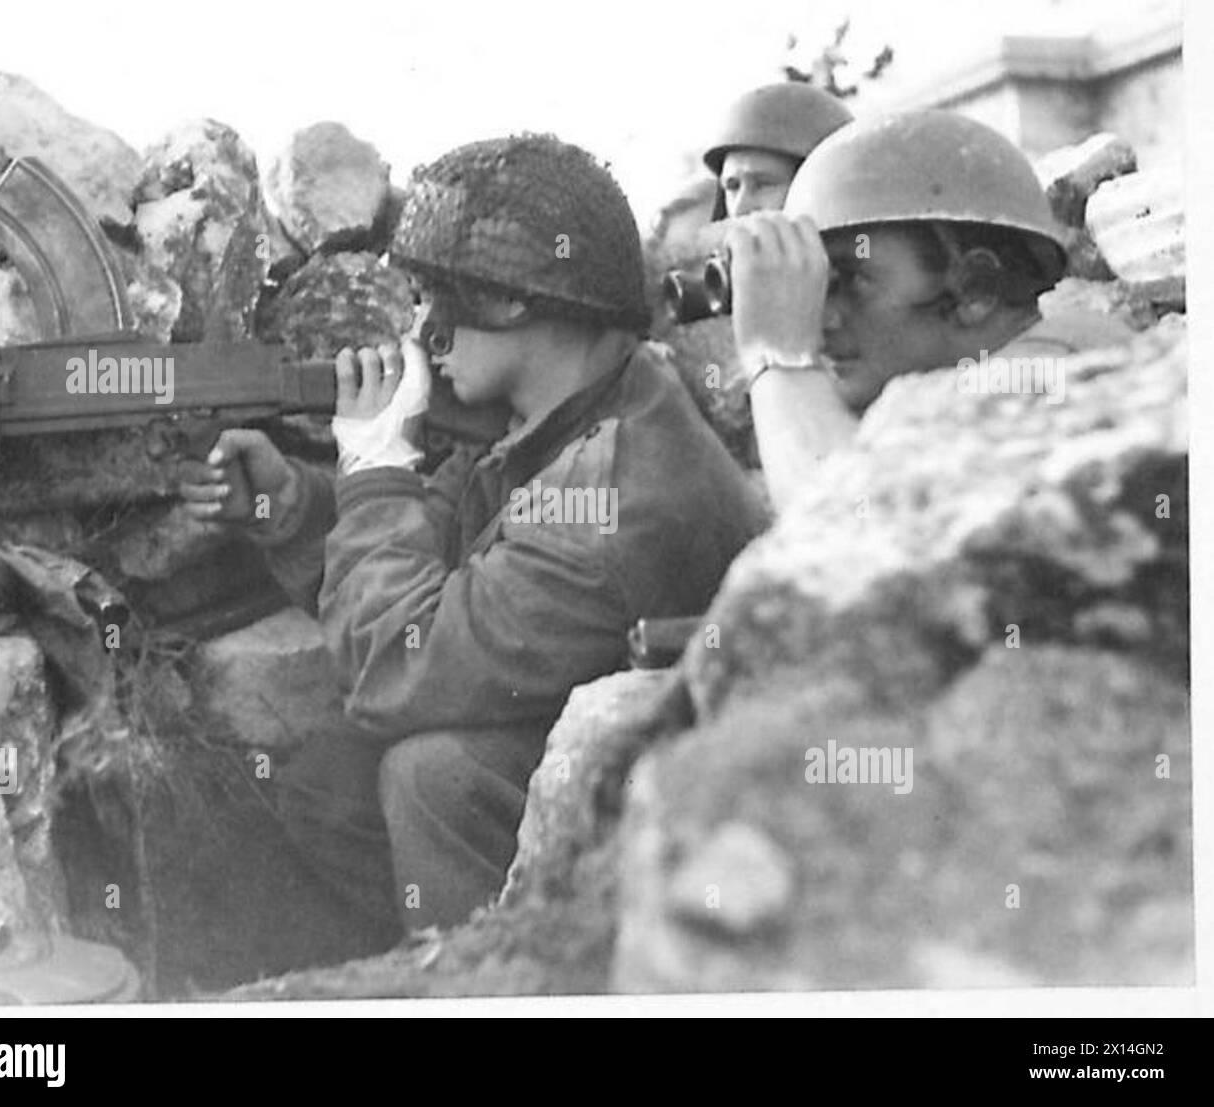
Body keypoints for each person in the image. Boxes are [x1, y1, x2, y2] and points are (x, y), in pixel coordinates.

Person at [179, 134, 768, 952]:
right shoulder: (562, 412)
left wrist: (375, 462)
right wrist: (293, 505)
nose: (420, 330)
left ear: (511, 302)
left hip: (700, 819)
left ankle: (485, 986)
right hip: (620, 746)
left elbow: (396, 662)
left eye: (432, 298)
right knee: (325, 776)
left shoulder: (610, 491)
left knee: (432, 777)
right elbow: (434, 554)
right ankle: (400, 970)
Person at [725, 109, 1137, 510]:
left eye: (847, 281)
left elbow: (846, 523)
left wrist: (777, 355)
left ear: (977, 289)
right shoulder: (932, 399)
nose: (820, 318)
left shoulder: (1059, 367)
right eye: (816, 288)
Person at [704, 82, 853, 220]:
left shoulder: (863, 244)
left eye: (763, 184)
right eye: (733, 187)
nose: (739, 209)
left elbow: (863, 246)